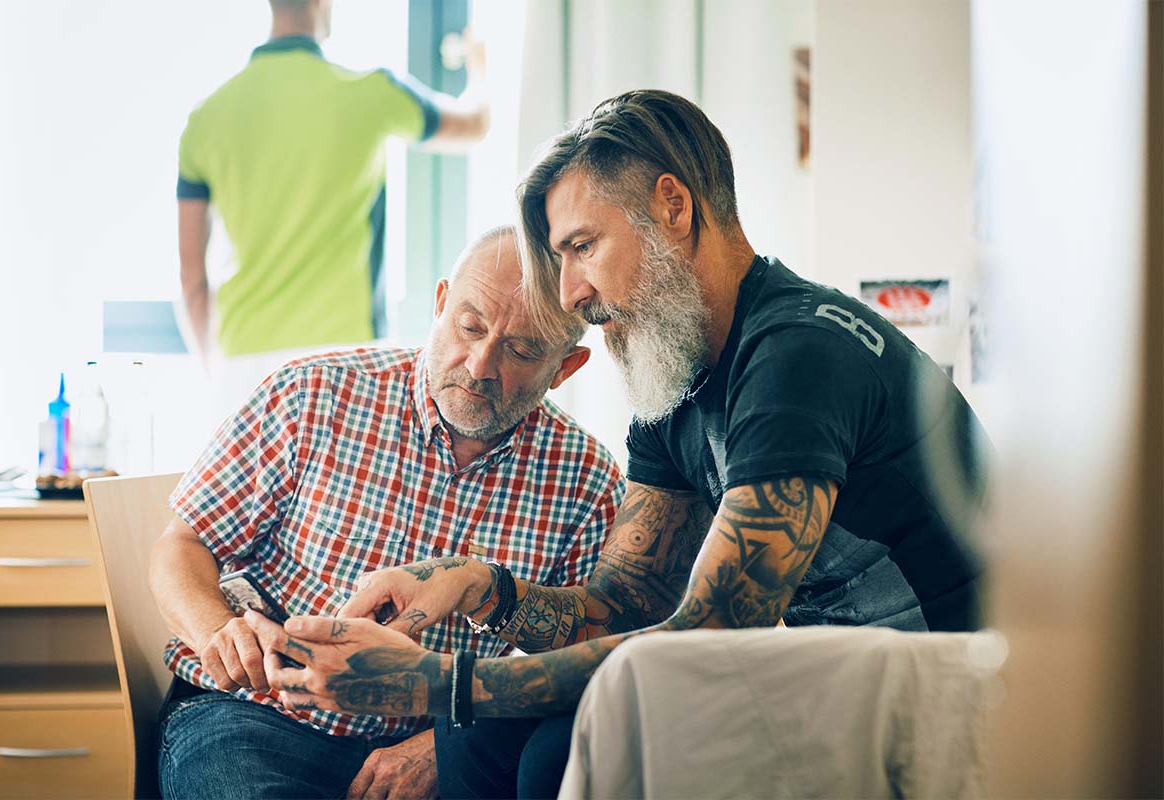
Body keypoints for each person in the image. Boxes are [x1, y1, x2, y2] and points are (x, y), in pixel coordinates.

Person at [245, 90, 991, 798]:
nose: (569, 292)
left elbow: (714, 633)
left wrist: (435, 681)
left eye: (582, 247)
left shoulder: (797, 355)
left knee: (552, 752)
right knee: (478, 737)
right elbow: (627, 605)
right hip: (834, 678)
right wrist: (482, 587)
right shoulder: (677, 373)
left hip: (950, 686)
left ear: (673, 207)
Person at [148, 226, 624, 800]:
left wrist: (439, 748)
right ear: (440, 303)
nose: (479, 365)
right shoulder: (313, 394)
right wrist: (216, 632)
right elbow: (182, 546)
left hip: (440, 744)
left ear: (566, 367)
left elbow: (583, 660)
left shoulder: (588, 480)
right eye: (469, 326)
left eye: (521, 351)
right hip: (258, 717)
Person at [177, 0, 490, 415]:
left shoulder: (207, 117)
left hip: (245, 366)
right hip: (346, 360)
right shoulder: (370, 92)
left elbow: (191, 281)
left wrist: (220, 372)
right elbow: (473, 125)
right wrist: (479, 66)